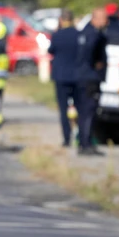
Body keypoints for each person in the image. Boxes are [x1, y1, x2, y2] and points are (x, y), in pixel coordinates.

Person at [74, 8, 109, 156]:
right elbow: (90, 51)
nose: (107, 21)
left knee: (86, 112)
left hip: (83, 77)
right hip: (90, 78)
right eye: (104, 18)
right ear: (96, 18)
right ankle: (86, 144)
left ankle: (86, 142)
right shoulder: (94, 34)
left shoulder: (84, 32)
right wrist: (96, 63)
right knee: (88, 112)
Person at [47, 10, 81, 147]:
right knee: (79, 107)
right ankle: (81, 135)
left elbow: (51, 50)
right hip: (77, 76)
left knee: (63, 109)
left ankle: (67, 138)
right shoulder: (78, 34)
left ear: (61, 20)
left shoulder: (57, 35)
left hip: (61, 76)